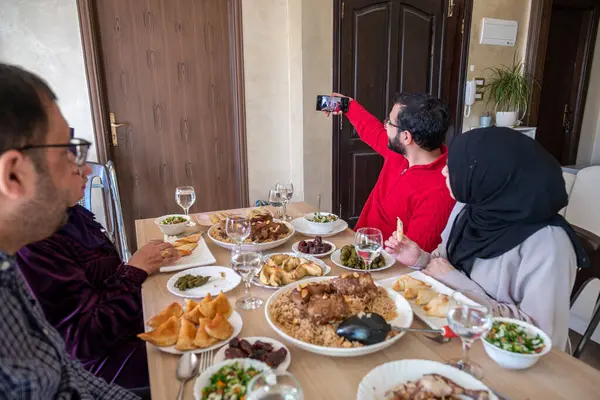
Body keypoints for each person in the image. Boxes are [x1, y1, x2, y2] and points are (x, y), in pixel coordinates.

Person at [0, 63, 139, 398]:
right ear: (14, 175)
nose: (85, 167)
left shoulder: (10, 267)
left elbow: (68, 378)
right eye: (67, 150)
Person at [384, 127, 589, 349]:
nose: (444, 172)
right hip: (454, 332)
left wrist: (459, 284)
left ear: (491, 175)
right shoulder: (470, 208)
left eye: (459, 167)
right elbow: (442, 264)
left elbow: (537, 338)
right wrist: (420, 259)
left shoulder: (548, 244)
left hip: (505, 359)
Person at [17, 161, 179, 388]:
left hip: (130, 323)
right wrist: (135, 270)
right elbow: (83, 341)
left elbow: (103, 281)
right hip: (106, 363)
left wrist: (142, 265)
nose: (87, 171)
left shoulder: (69, 214)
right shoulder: (33, 245)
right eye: (70, 162)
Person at [329, 92, 455, 252]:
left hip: (384, 267)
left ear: (406, 137)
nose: (385, 126)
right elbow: (371, 129)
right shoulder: (403, 151)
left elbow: (412, 255)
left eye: (389, 122)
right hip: (358, 247)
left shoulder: (441, 190)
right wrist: (346, 104)